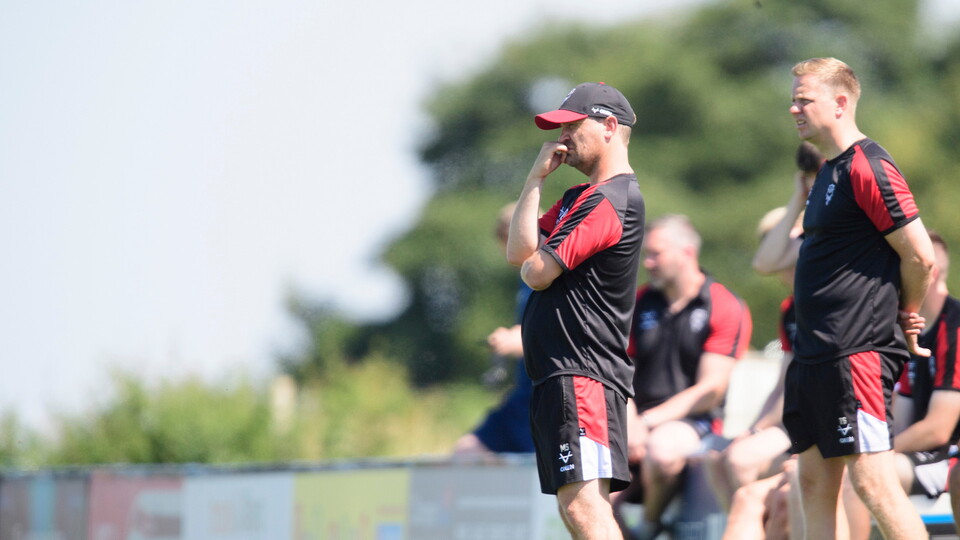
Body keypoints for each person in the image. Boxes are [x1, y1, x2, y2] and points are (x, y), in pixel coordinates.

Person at [781, 57, 936, 540]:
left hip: (857, 352)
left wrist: (908, 311)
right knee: (809, 484)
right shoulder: (829, 171)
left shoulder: (870, 164)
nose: (793, 108)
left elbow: (920, 257)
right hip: (814, 355)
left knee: (873, 484)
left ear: (840, 102)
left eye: (803, 99)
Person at [506, 81, 645, 539]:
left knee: (585, 509)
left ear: (608, 127)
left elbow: (537, 271)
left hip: (583, 375)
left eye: (571, 128)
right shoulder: (575, 199)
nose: (560, 139)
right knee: (577, 508)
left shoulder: (612, 200)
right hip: (558, 374)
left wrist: (533, 262)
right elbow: (519, 251)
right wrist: (534, 180)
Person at [618, 214, 752, 540]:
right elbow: (618, 369)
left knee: (662, 452)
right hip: (633, 418)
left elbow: (711, 389)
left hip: (693, 423)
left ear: (686, 253)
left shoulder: (724, 304)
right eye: (646, 255)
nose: (647, 262)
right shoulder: (638, 302)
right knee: (591, 495)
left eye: (655, 254)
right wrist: (631, 422)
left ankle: (648, 529)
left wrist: (647, 424)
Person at [842, 231, 960, 540]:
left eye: (899, 270)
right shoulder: (913, 331)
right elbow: (901, 416)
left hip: (947, 457)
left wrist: (874, 455)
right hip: (924, 454)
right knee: (852, 469)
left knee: (864, 474)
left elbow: (938, 429)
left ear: (927, 273)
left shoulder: (956, 326)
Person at [453, 202, 536, 457]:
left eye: (506, 240)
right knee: (466, 452)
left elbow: (570, 335)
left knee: (541, 476)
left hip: (554, 404)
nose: (506, 251)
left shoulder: (558, 273)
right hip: (523, 398)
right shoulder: (526, 278)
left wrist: (520, 341)